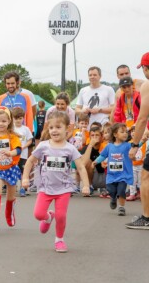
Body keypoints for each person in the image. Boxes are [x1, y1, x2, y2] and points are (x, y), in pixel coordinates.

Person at [22, 111, 90, 253]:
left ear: (67, 129)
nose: (54, 130)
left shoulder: (70, 149)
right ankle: (48, 217)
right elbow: (30, 161)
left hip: (64, 189)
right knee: (38, 214)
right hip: (45, 187)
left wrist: (86, 185)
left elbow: (81, 167)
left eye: (58, 127)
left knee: (61, 216)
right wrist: (25, 178)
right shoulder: (43, 146)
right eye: (51, 127)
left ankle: (59, 240)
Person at [127, 51, 149, 229]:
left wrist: (134, 145)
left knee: (146, 176)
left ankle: (147, 218)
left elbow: (142, 119)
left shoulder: (147, 86)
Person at [93, 123, 132, 216]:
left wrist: (142, 141)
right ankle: (113, 198)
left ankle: (121, 207)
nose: (125, 134)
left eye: (126, 132)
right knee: (111, 190)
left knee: (121, 191)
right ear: (115, 134)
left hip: (123, 174)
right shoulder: (109, 146)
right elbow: (103, 155)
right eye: (122, 132)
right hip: (111, 175)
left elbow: (135, 146)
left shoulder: (127, 145)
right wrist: (95, 161)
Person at [12, 107, 33, 197]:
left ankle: (22, 188)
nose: (18, 121)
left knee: (22, 171)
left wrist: (24, 146)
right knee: (13, 171)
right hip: (12, 155)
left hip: (23, 154)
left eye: (20, 118)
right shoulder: (11, 129)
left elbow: (30, 140)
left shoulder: (25, 129)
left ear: (23, 118)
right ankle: (12, 188)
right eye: (16, 118)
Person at [127, 126, 148, 201]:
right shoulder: (129, 143)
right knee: (132, 180)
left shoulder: (143, 142)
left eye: (135, 131)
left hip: (141, 165)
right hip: (132, 165)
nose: (133, 133)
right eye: (132, 131)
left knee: (140, 181)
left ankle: (141, 194)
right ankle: (132, 194)